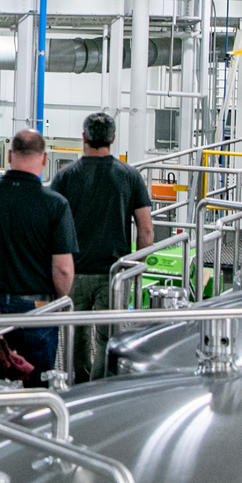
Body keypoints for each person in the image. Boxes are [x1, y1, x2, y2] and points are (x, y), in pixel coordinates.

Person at [0, 128, 78, 382]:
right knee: (39, 381)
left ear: (10, 155)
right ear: (44, 159)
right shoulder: (55, 204)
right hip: (36, 307)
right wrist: (59, 302)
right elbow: (64, 268)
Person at [53, 112, 154, 381]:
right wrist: (134, 268)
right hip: (114, 271)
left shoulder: (64, 177)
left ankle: (80, 386)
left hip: (73, 271)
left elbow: (51, 227)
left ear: (83, 137)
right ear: (113, 138)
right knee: (108, 338)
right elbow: (145, 230)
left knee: (74, 336)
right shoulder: (130, 176)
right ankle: (99, 387)